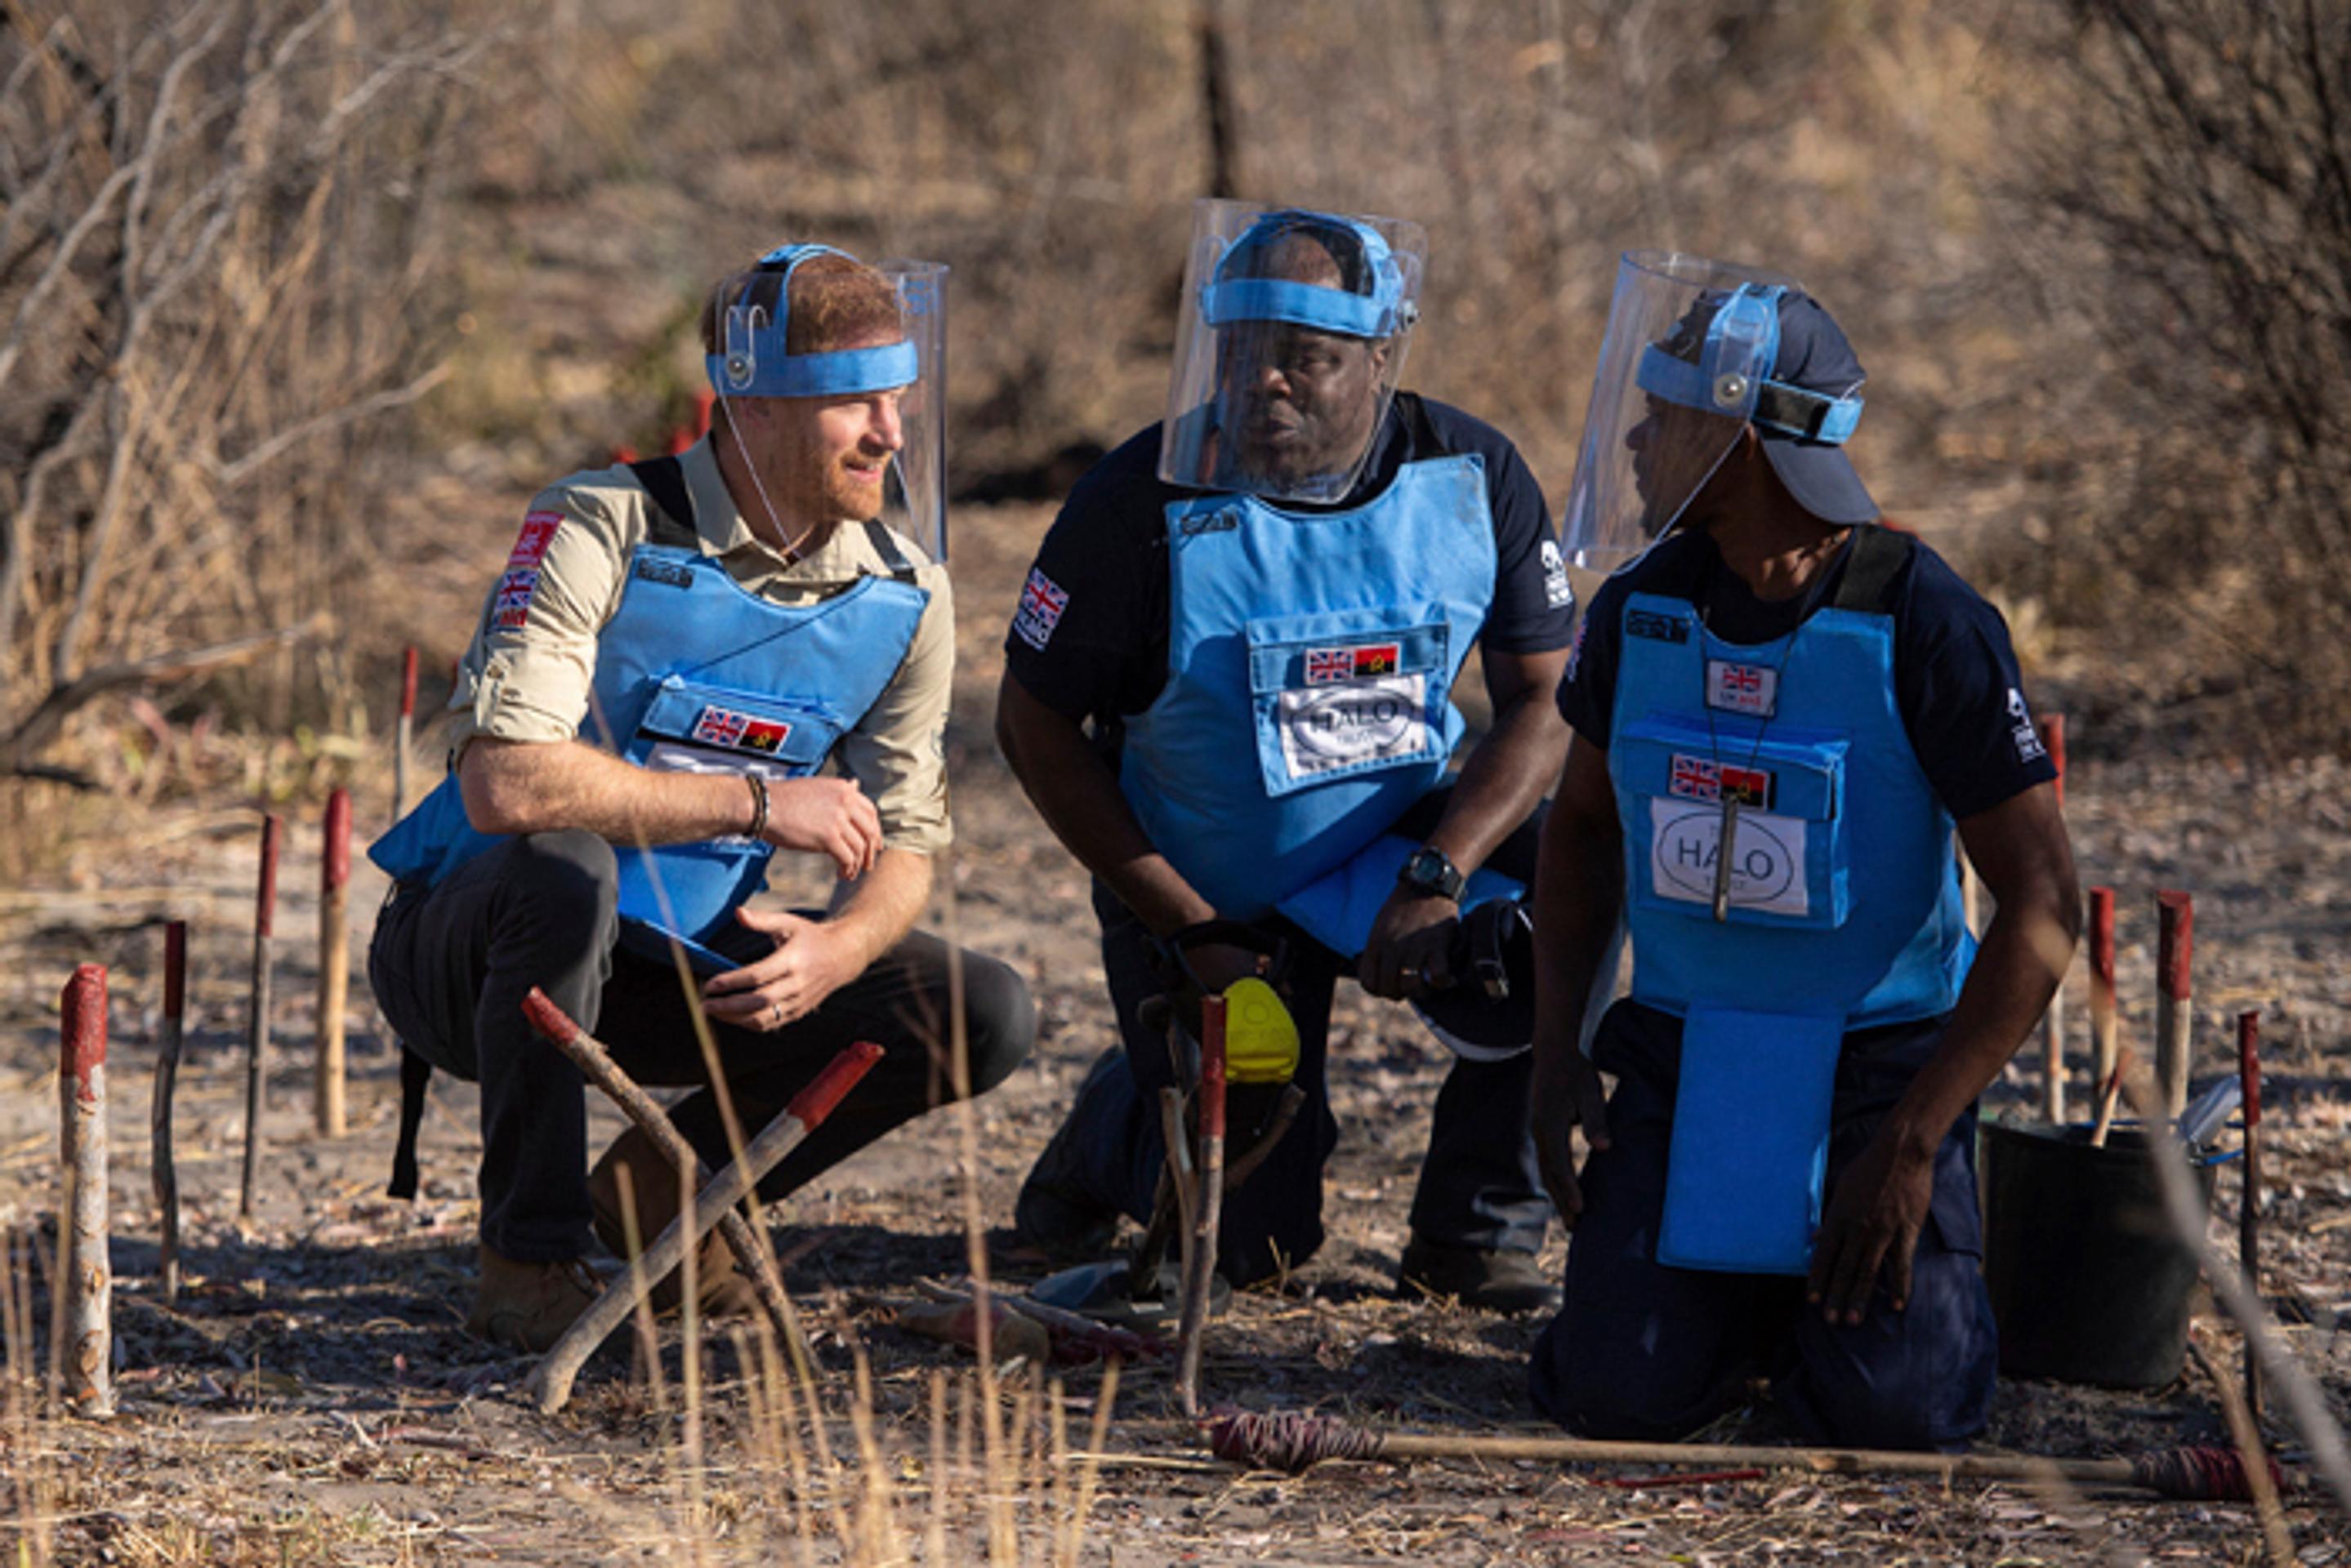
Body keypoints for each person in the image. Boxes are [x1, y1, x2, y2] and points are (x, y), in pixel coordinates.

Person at [368, 243, 1034, 1352]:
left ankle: (663, 1200)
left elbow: (908, 837)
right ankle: (526, 1264)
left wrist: (839, 951)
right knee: (564, 867)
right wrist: (763, 808)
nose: (890, 434)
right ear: (750, 402)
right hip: (476, 949)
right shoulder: (601, 524)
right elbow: (506, 782)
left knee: (976, 1009)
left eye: (898, 400)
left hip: (675, 961)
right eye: (852, 404)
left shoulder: (906, 595)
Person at [1523, 254, 2078, 1448]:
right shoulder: (1641, 607)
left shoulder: (1925, 623)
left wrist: (1914, 1141)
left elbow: (2041, 905)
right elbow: (1575, 831)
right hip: (1681, 1050)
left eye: (1665, 414)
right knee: (1616, 1397)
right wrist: (1555, 1046)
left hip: (1877, 1074)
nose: (1631, 440)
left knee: (1901, 1413)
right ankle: (1732, 1306)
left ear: (1747, 440)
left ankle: (1880, 1296)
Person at [996, 201, 1581, 1311]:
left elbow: (1544, 699)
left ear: (1378, 357)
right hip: (1205, 879)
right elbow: (1029, 729)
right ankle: (1114, 1125)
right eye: (1242, 353)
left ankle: (1475, 1230)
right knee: (1254, 1251)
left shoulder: (1469, 471)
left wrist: (1440, 873)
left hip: (1394, 846)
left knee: (1575, 888)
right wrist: (1188, 925)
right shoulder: (1137, 504)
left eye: (1305, 359)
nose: (1265, 383)